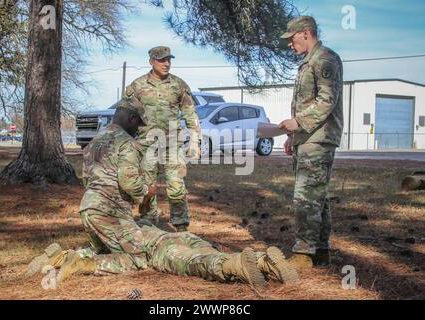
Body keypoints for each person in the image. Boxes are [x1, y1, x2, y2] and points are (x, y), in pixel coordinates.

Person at [28, 98, 298, 292]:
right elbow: (130, 184)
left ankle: (65, 257)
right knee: (142, 257)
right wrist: (150, 190)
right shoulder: (126, 143)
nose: (140, 130)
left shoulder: (96, 141)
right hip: (111, 213)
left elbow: (90, 178)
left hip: (93, 209)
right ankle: (80, 263)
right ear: (131, 119)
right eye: (139, 124)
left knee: (181, 239)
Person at [278, 16, 343, 268]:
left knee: (306, 196)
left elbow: (327, 100)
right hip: (307, 137)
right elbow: (306, 103)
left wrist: (299, 123)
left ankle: (303, 254)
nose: (289, 44)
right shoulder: (308, 62)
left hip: (319, 137)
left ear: (305, 33)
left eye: (291, 38)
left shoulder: (325, 59)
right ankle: (321, 251)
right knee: (318, 196)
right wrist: (292, 135)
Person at [124, 46, 200, 231]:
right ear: (151, 62)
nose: (166, 64)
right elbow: (126, 116)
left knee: (176, 184)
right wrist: (125, 143)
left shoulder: (179, 85)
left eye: (169, 60)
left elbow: (190, 114)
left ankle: (181, 224)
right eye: (162, 60)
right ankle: (148, 223)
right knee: (147, 185)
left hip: (173, 143)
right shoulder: (137, 86)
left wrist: (194, 141)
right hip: (146, 144)